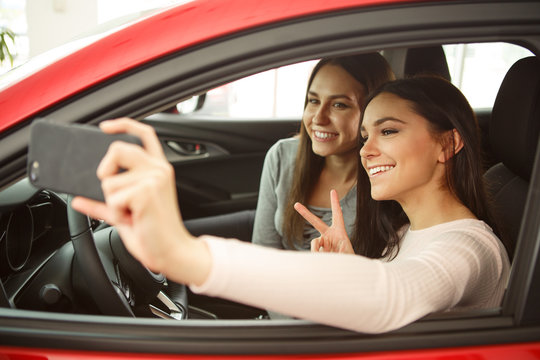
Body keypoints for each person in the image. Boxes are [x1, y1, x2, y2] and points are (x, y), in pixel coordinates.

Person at [71, 76, 509, 333]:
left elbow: (394, 294)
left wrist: (182, 255)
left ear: (447, 144)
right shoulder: (407, 231)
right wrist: (351, 265)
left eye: (388, 131)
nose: (366, 150)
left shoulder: (469, 247)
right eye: (365, 136)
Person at [253, 53, 395, 251]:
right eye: (313, 101)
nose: (319, 118)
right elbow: (263, 254)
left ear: (373, 111)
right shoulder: (281, 156)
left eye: (339, 105)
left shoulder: (388, 176)